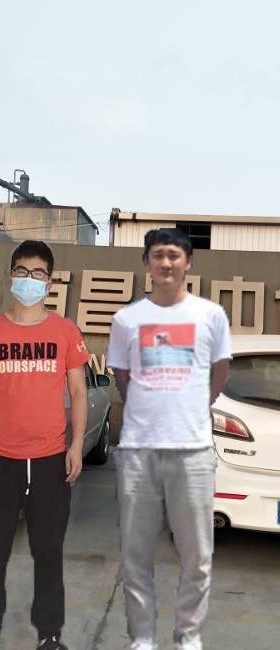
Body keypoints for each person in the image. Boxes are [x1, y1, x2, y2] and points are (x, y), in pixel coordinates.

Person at [107, 228, 231, 650]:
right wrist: (150, 409)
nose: (166, 263)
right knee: (135, 556)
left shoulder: (210, 315)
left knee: (198, 558)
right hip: (137, 453)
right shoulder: (127, 320)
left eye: (174, 255)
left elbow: (219, 373)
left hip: (193, 453)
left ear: (188, 262)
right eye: (158, 255)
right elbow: (123, 379)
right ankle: (142, 639)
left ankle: (188, 638)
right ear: (147, 262)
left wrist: (191, 408)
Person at [0, 240, 90, 650]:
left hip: (51, 460)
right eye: (22, 271)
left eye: (38, 273)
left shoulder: (65, 332)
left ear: (49, 282)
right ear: (10, 275)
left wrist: (75, 446)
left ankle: (49, 634)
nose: (29, 279)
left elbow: (78, 392)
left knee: (49, 553)